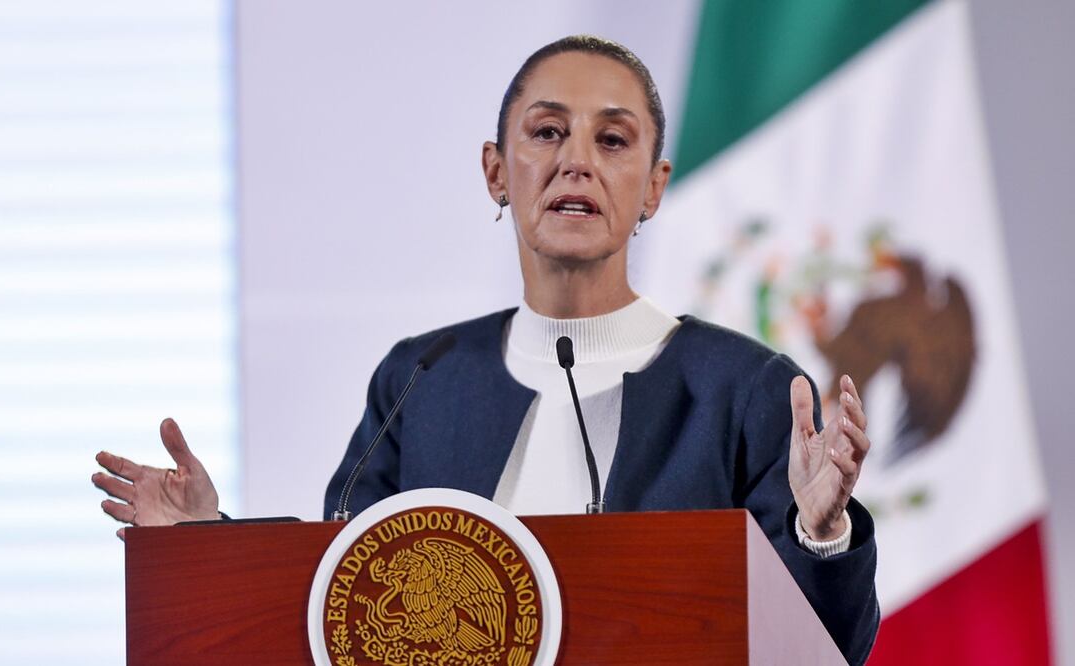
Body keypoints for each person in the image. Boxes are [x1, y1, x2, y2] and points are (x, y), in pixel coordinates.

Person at [92, 35, 878, 664]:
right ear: (497, 172)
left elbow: (826, 648)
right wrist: (208, 542)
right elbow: (344, 592)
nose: (577, 160)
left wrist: (819, 535)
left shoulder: (746, 390)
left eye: (612, 139)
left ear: (654, 187)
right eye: (546, 132)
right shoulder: (423, 379)